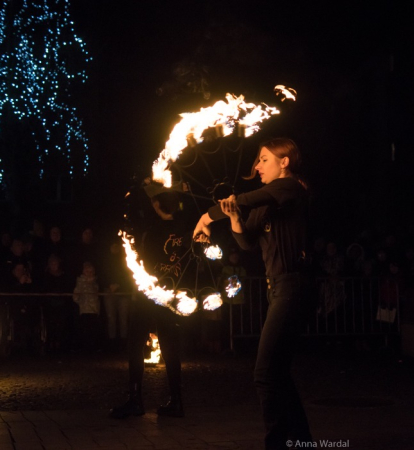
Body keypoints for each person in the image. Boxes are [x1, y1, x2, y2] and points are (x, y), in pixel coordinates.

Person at [194, 137, 313, 449]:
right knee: (278, 374)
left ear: (283, 161)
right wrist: (233, 219)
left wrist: (208, 216)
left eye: (263, 159)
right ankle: (302, 444)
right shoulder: (265, 204)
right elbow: (247, 242)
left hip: (292, 287)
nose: (257, 166)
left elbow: (248, 198)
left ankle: (278, 444)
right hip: (279, 291)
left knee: (264, 373)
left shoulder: (290, 187)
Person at [110, 187, 189, 419]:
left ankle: (136, 400)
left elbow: (142, 265)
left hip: (149, 296)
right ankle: (177, 401)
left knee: (135, 344)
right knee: (171, 348)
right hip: (173, 296)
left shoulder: (152, 233)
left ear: (157, 205)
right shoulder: (186, 230)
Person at [73, 261, 101, 352]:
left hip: (94, 310)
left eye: (91, 271)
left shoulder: (95, 282)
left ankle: (93, 348)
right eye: (87, 271)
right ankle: (85, 348)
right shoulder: (80, 282)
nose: (89, 273)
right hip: (84, 309)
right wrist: (78, 299)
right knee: (85, 330)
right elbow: (75, 296)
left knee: (93, 330)